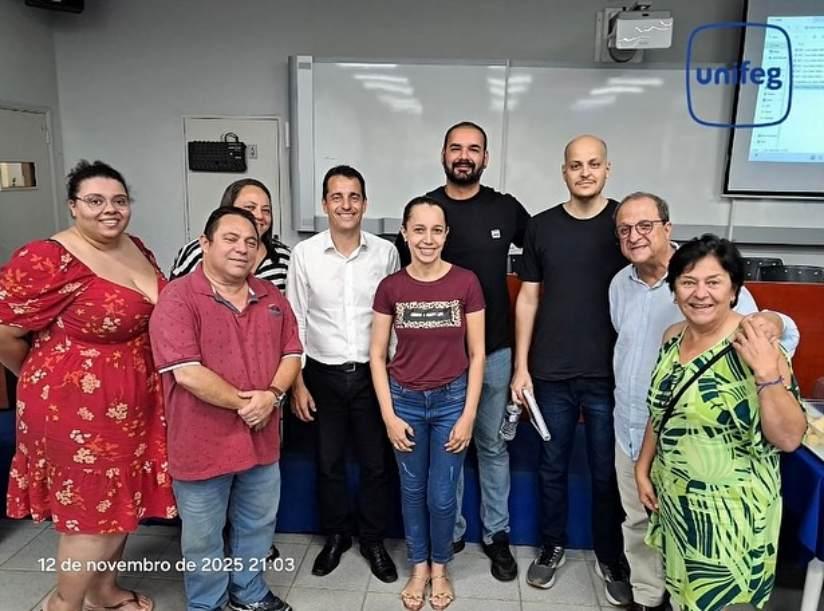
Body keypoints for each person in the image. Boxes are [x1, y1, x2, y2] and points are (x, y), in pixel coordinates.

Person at [609, 193, 800, 611]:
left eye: (713, 283)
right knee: (678, 588)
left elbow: (788, 437)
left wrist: (767, 372)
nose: (700, 294)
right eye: (688, 283)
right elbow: (660, 408)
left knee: (719, 599)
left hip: (731, 512)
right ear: (674, 291)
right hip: (674, 494)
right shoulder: (670, 336)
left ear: (734, 290)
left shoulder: (753, 342)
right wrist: (643, 466)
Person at [0, 160, 176, 611]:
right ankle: (64, 604)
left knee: (120, 501)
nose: (109, 209)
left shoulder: (135, 246)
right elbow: (3, 331)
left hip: (136, 401)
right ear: (73, 206)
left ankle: (103, 591)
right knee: (91, 516)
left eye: (119, 200)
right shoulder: (47, 256)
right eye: (95, 200)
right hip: (75, 408)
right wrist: (40, 378)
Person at [149, 206, 301, 611]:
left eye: (251, 242)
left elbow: (292, 353)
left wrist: (272, 395)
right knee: (203, 537)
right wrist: (246, 403)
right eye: (231, 239)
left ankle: (248, 592)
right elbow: (187, 373)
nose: (242, 249)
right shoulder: (178, 298)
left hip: (261, 441)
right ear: (205, 243)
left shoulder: (270, 296)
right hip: (201, 443)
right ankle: (208, 603)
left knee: (257, 524)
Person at [395, 121, 528, 580]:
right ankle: (447, 533)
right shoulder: (426, 212)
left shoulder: (506, 208)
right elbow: (404, 286)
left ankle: (497, 535)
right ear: (443, 154)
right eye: (456, 148)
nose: (464, 156)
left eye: (474, 149)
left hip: (494, 352)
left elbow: (542, 253)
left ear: (486, 158)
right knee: (445, 452)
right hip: (441, 363)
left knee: (491, 446)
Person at [511, 135, 632, 604]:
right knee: (552, 467)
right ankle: (551, 545)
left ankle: (610, 555)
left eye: (593, 164)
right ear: (564, 171)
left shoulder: (625, 226)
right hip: (550, 373)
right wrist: (521, 367)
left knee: (606, 472)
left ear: (607, 169)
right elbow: (528, 298)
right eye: (576, 165)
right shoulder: (541, 227)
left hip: (608, 375)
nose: (585, 172)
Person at [371, 196, 485, 611]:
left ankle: (441, 567)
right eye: (419, 229)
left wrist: (469, 414)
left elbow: (478, 354)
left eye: (436, 230)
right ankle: (419, 567)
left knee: (442, 496)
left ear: (446, 235)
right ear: (404, 233)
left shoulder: (466, 283)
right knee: (412, 491)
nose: (428, 239)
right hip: (405, 402)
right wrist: (388, 416)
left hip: (452, 401)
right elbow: (377, 355)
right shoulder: (391, 287)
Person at [286, 165, 400, 582]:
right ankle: (336, 536)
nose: (346, 205)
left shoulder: (385, 253)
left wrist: (393, 375)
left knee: (375, 464)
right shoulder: (305, 254)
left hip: (372, 375)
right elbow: (295, 320)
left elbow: (394, 318)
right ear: (324, 204)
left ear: (365, 204)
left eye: (354, 197)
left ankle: (373, 539)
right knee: (328, 463)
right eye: (337, 197)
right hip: (322, 375)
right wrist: (297, 382)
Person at [170, 178, 290, 292]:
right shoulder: (198, 251)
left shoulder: (283, 256)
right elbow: (173, 295)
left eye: (266, 210)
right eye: (250, 207)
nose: (259, 216)